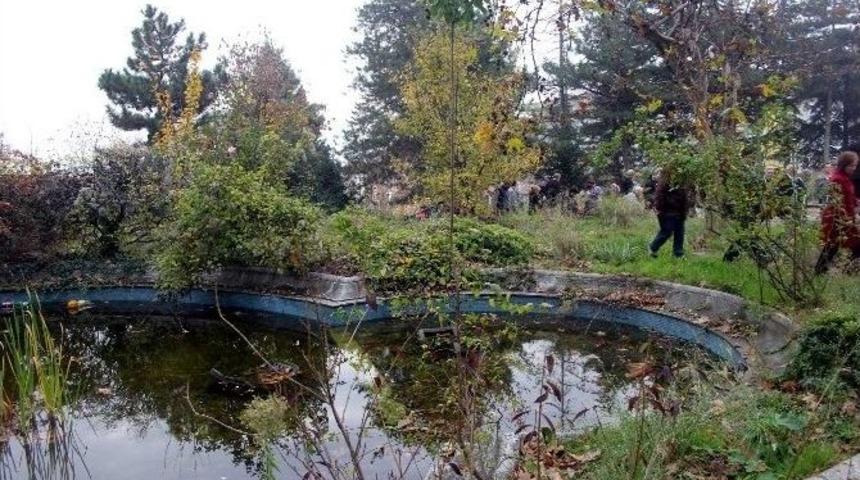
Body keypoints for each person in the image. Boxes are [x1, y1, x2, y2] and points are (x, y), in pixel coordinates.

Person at [815, 151, 860, 274]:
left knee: (834, 246)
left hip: (843, 217)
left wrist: (857, 202)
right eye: (851, 165)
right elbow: (840, 201)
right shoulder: (838, 179)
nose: (853, 168)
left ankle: (822, 271)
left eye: (855, 166)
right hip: (837, 217)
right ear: (843, 164)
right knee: (833, 246)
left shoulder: (845, 178)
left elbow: (849, 197)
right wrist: (853, 214)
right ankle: (846, 271)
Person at [649, 170, 689, 258]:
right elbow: (660, 199)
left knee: (679, 233)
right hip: (667, 213)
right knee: (666, 232)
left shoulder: (681, 185)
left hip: (679, 213)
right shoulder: (664, 185)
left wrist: (684, 211)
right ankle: (653, 248)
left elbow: (684, 199)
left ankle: (678, 253)